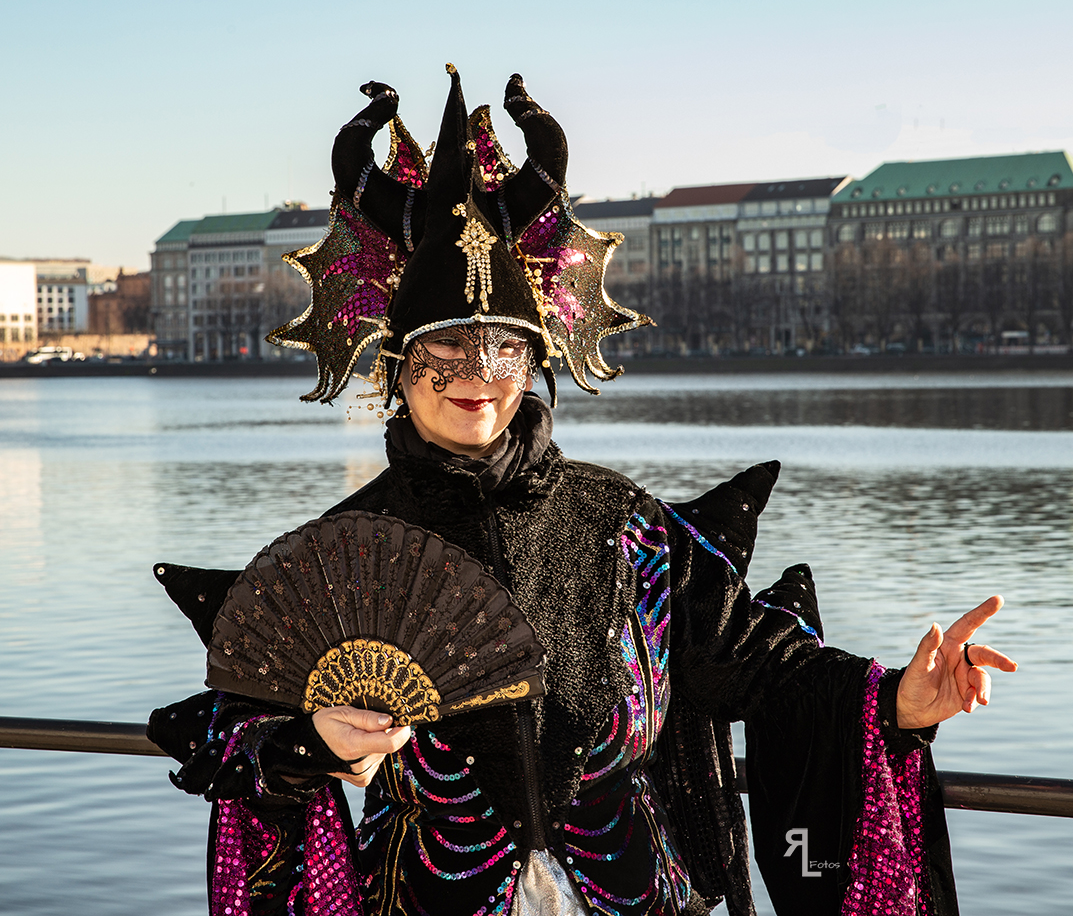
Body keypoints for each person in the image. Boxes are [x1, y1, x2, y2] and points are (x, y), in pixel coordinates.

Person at [148, 68, 1016, 916]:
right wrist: (310, 745)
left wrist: (898, 696)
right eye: (443, 351)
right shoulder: (350, 550)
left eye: (503, 349)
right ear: (394, 367)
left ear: (538, 363)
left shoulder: (620, 525)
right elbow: (219, 727)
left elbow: (752, 662)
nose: (475, 375)